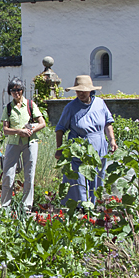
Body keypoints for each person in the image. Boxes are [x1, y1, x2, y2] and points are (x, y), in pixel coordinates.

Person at [54, 75, 117, 204]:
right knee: (79, 178)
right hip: (79, 149)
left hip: (99, 146)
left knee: (98, 177)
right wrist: (59, 149)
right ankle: (80, 207)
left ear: (90, 90)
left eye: (83, 91)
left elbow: (108, 123)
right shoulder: (71, 107)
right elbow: (60, 129)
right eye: (78, 91)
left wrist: (112, 141)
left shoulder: (100, 103)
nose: (80, 94)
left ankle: (94, 207)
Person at [0, 78, 46, 212]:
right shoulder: (8, 108)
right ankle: (5, 206)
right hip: (13, 142)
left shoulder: (30, 104)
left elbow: (42, 123)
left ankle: (26, 207)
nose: (16, 92)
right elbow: (5, 129)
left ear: (22, 90)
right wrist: (19, 131)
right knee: (8, 174)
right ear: (10, 92)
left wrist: (31, 130)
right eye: (13, 90)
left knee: (29, 174)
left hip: (30, 143)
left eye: (18, 89)